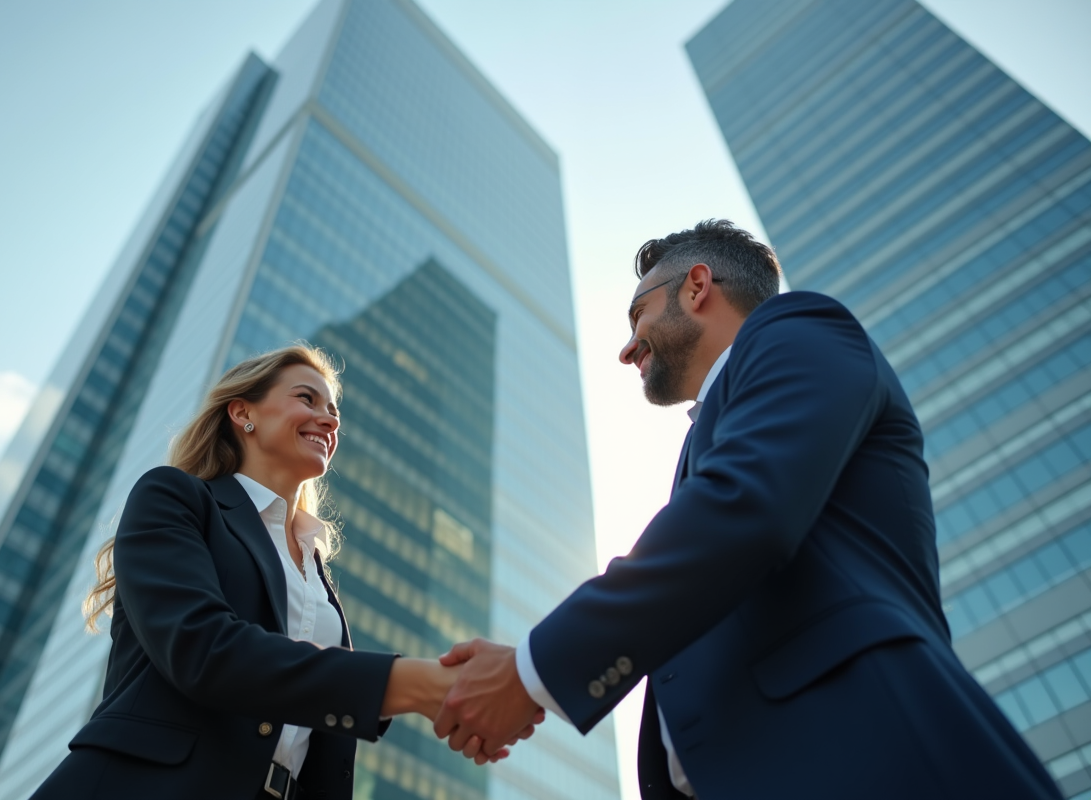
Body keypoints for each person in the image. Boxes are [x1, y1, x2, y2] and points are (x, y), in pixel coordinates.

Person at [433, 220, 1062, 799]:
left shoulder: (801, 328)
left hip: (866, 751)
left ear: (697, 286)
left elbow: (743, 510)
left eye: (638, 313)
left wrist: (531, 672)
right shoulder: (707, 435)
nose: (628, 349)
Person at [32, 345, 524, 800]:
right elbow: (205, 650)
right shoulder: (175, 498)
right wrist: (420, 685)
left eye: (333, 411)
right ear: (243, 412)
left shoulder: (315, 567)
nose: (327, 420)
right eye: (307, 398)